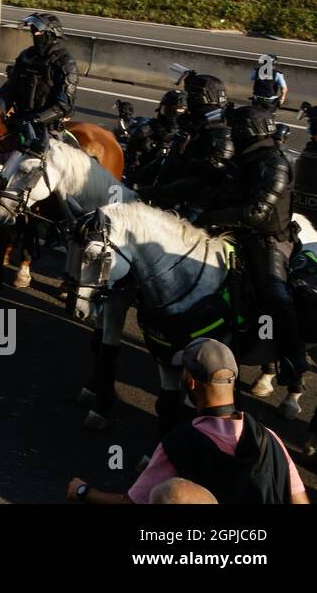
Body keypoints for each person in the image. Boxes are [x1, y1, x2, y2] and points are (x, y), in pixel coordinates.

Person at [66, 338, 308, 504]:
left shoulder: (180, 442)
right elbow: (299, 500)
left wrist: (84, 491)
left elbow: (132, 502)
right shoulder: (269, 439)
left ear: (191, 381)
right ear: (233, 381)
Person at [199, 106, 307, 401]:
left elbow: (257, 213)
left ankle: (293, 360)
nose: (230, 135)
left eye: (235, 130)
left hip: (269, 241)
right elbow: (221, 194)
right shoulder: (242, 161)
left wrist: (210, 216)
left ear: (247, 132)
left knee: (275, 292)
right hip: (234, 233)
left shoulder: (276, 165)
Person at [146, 71, 235, 215]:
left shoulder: (217, 130)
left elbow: (206, 179)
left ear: (198, 98)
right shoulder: (197, 123)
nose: (186, 102)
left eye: (190, 96)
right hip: (176, 191)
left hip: (197, 203)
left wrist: (160, 193)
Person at [0, 13, 78, 153]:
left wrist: (34, 120)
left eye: (37, 30)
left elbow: (63, 105)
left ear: (49, 34)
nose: (34, 34)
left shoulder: (65, 63)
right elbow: (9, 89)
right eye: (32, 30)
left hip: (47, 128)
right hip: (19, 121)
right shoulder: (26, 56)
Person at [124, 89, 186, 189]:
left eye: (179, 111)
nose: (173, 114)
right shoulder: (145, 131)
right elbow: (132, 162)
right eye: (168, 109)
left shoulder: (188, 134)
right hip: (145, 182)